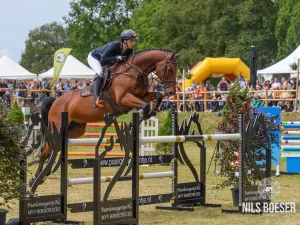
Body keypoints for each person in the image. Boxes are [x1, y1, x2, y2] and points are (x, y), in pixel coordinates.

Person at [88, 29, 138, 107]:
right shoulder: (114, 45)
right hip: (95, 58)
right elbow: (102, 60)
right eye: (131, 41)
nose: (133, 43)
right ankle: (96, 99)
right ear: (125, 41)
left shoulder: (129, 49)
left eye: (134, 41)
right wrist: (117, 58)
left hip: (107, 61)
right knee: (100, 71)